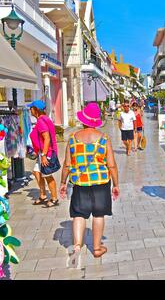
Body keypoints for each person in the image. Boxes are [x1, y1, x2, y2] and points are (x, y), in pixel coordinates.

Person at [59, 103, 119, 264]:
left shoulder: (73, 139)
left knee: (79, 214)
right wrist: (116, 184)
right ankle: (97, 248)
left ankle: (77, 247)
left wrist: (63, 182)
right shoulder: (104, 139)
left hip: (80, 182)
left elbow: (67, 164)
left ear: (84, 120)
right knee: (98, 214)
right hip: (101, 182)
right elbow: (111, 164)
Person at [28, 100, 59, 208]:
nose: (29, 110)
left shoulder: (41, 121)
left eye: (31, 108)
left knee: (47, 175)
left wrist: (44, 155)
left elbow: (47, 138)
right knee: (36, 171)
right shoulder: (43, 119)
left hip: (46, 152)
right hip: (42, 152)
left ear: (35, 109)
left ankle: (54, 198)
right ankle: (43, 195)